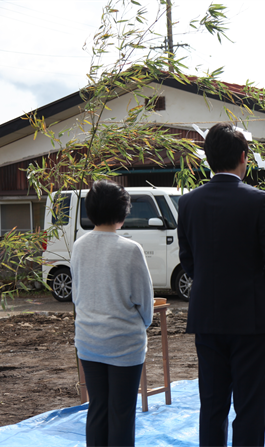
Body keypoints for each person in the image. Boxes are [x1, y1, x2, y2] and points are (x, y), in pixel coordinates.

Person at [177, 122, 265, 447]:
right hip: (250, 318)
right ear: (244, 157)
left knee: (212, 405)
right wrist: (262, 295)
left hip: (207, 316)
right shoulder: (259, 201)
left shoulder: (188, 203)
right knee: (250, 406)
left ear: (209, 159)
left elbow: (188, 259)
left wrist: (210, 285)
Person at [71, 180, 153, 447]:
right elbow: (145, 304)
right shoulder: (130, 249)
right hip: (124, 344)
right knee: (121, 413)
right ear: (122, 211)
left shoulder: (79, 246)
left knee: (97, 409)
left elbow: (77, 296)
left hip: (88, 341)